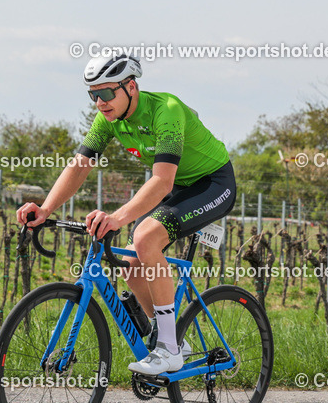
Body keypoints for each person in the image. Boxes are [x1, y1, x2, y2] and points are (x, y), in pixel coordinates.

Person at [17, 53, 236, 375]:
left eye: (106, 93)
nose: (99, 102)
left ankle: (169, 350)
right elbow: (80, 165)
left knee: (145, 236)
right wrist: (46, 207)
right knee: (131, 262)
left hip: (213, 183)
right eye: (92, 95)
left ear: (130, 87)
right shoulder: (107, 119)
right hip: (179, 187)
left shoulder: (167, 110)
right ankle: (171, 336)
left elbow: (162, 181)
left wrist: (118, 218)